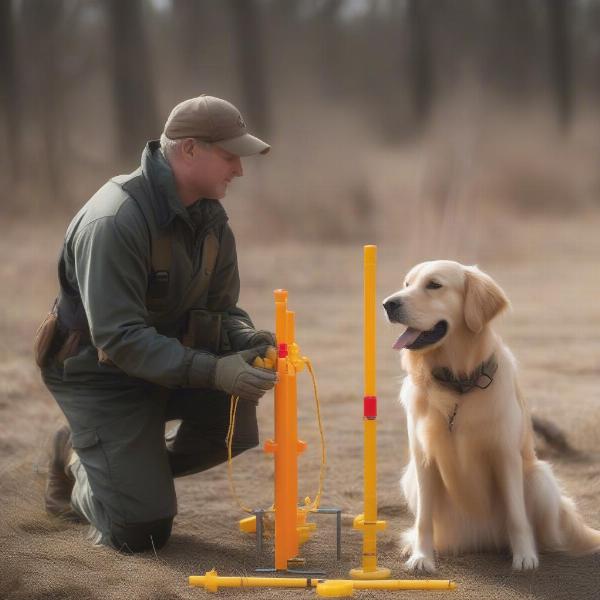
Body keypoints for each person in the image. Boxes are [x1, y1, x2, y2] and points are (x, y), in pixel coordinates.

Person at [36, 95, 278, 552]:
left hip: (164, 362)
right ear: (189, 150)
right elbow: (119, 337)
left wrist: (246, 340)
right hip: (99, 373)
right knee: (140, 529)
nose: (239, 170)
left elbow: (223, 308)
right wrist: (213, 370)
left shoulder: (210, 218)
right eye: (229, 156)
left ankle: (120, 466)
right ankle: (81, 459)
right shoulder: (114, 220)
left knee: (234, 422)